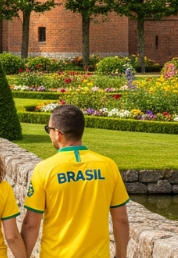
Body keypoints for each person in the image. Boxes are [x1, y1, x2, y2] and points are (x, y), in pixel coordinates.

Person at [20, 105, 130, 258]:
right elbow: (121, 219)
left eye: (48, 129)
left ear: (58, 133)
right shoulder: (108, 165)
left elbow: (31, 224)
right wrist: (121, 255)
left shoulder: (45, 169)